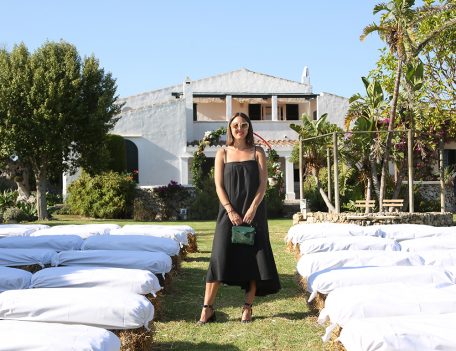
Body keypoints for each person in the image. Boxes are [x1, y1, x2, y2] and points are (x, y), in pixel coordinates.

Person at [198, 112, 281, 324]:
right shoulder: (222, 153)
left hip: (254, 212)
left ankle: (247, 308)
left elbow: (263, 184)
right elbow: (218, 185)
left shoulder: (258, 152)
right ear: (230, 128)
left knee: (254, 259)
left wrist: (253, 208)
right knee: (219, 257)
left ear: (248, 128)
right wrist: (230, 210)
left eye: (244, 125)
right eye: (236, 125)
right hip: (228, 213)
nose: (240, 128)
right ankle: (207, 309)